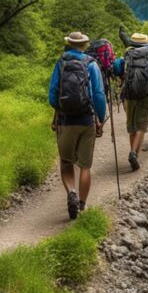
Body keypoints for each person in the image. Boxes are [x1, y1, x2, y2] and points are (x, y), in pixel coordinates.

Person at [48, 31, 107, 219]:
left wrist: (57, 112)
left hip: (66, 120)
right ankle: (82, 205)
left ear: (69, 44)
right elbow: (98, 94)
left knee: (66, 162)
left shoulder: (61, 63)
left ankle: (71, 192)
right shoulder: (91, 64)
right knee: (85, 165)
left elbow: (52, 93)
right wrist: (100, 118)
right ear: (84, 45)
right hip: (86, 119)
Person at [113, 32, 148, 171]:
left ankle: (134, 152)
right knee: (142, 124)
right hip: (146, 93)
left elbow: (119, 70)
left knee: (132, 125)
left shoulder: (128, 52)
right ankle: (134, 153)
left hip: (129, 92)